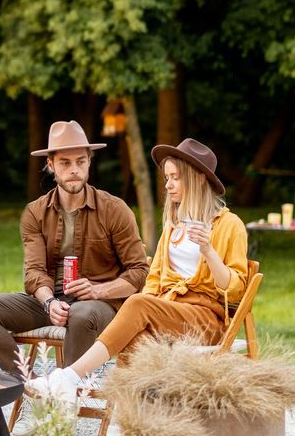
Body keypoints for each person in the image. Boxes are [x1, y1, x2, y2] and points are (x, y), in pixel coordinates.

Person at [29, 137, 248, 400]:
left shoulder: (228, 225)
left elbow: (234, 291)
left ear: (199, 178)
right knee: (134, 335)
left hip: (206, 319)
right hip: (168, 312)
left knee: (136, 304)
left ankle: (68, 377)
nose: (168, 185)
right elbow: (154, 279)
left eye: (175, 178)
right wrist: (144, 306)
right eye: (167, 177)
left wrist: (208, 252)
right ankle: (128, 421)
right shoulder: (174, 226)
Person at [0, 119, 150, 376]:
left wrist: (97, 290)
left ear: (89, 162)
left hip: (101, 305)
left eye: (80, 161)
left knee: (81, 314)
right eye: (65, 163)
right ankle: (29, 380)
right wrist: (49, 302)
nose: (74, 169)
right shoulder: (35, 212)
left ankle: (65, 393)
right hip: (52, 303)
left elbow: (139, 271)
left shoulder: (114, 209)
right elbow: (34, 272)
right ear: (51, 165)